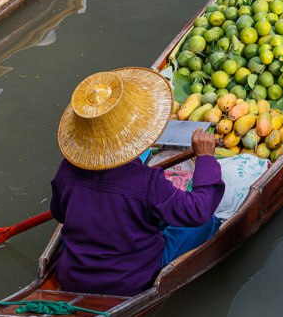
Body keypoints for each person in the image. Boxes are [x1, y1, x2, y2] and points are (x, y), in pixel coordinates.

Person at [50, 68, 224, 296]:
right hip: (131, 279)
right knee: (207, 222)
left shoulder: (67, 171)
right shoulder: (147, 182)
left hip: (73, 275)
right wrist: (205, 158)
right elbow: (197, 210)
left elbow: (60, 214)